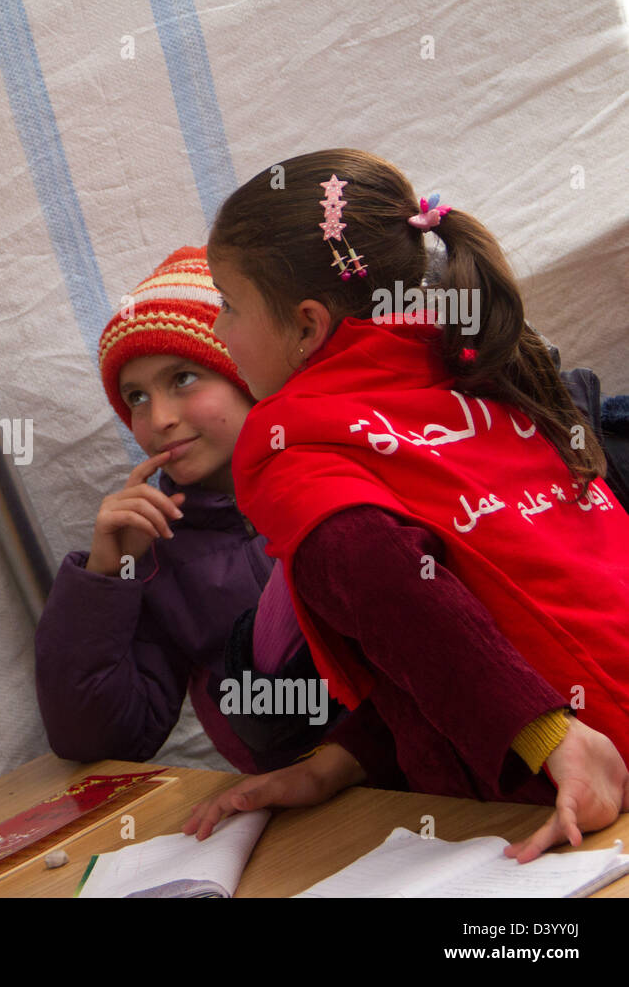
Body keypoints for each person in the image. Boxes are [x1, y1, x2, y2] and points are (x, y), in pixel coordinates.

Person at [183, 148, 629, 863]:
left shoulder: (285, 435)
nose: (218, 330)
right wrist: (344, 759)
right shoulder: (474, 359)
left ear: (305, 325)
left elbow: (389, 587)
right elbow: (475, 611)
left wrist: (553, 737)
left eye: (229, 304)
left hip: (583, 776)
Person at [35, 246, 346, 775]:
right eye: (135, 396)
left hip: (448, 786)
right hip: (304, 814)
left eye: (182, 379)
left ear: (248, 373)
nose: (158, 419)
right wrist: (105, 578)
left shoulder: (345, 478)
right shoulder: (160, 547)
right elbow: (104, 737)